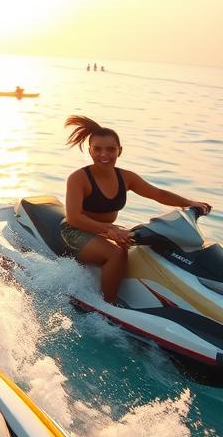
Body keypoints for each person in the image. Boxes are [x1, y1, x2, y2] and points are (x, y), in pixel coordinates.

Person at [62, 115, 211, 304]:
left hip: (104, 230)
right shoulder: (79, 178)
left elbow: (158, 194)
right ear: (90, 151)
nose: (104, 154)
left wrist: (190, 203)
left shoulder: (126, 177)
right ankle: (108, 304)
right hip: (75, 230)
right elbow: (74, 218)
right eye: (97, 149)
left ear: (120, 151)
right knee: (117, 253)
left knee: (141, 244)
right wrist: (110, 230)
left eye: (110, 149)